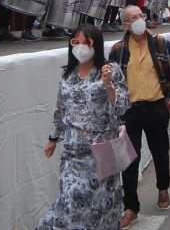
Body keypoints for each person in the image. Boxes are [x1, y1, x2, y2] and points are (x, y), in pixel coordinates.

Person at [38, 24, 129, 229]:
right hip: (73, 149)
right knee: (71, 200)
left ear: (96, 44)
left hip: (103, 147)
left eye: (86, 42)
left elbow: (122, 106)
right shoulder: (67, 75)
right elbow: (61, 108)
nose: (80, 46)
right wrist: (53, 138)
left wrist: (108, 85)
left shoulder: (110, 70)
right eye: (75, 42)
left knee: (103, 203)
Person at [108, 5, 170, 229]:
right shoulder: (118, 49)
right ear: (125, 24)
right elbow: (113, 82)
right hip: (129, 111)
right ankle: (131, 207)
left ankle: (163, 188)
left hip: (156, 107)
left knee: (160, 152)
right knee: (128, 159)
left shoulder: (160, 43)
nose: (140, 19)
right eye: (134, 17)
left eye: (141, 15)